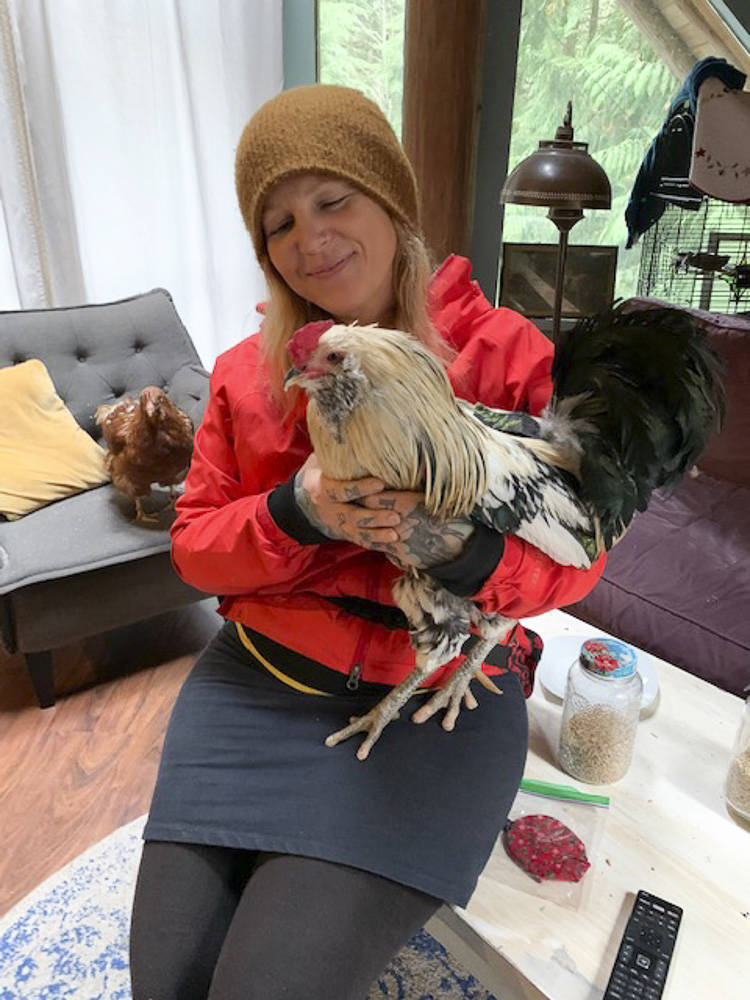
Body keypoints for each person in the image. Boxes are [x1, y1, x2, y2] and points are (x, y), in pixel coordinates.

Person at [129, 84, 605, 1000]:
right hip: (256, 684)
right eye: (279, 222)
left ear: (390, 197)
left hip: (434, 704)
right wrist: (293, 515)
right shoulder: (247, 372)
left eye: (333, 198)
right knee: (166, 985)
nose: (309, 238)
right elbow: (194, 550)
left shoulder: (504, 352)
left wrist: (468, 554)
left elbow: (579, 565)